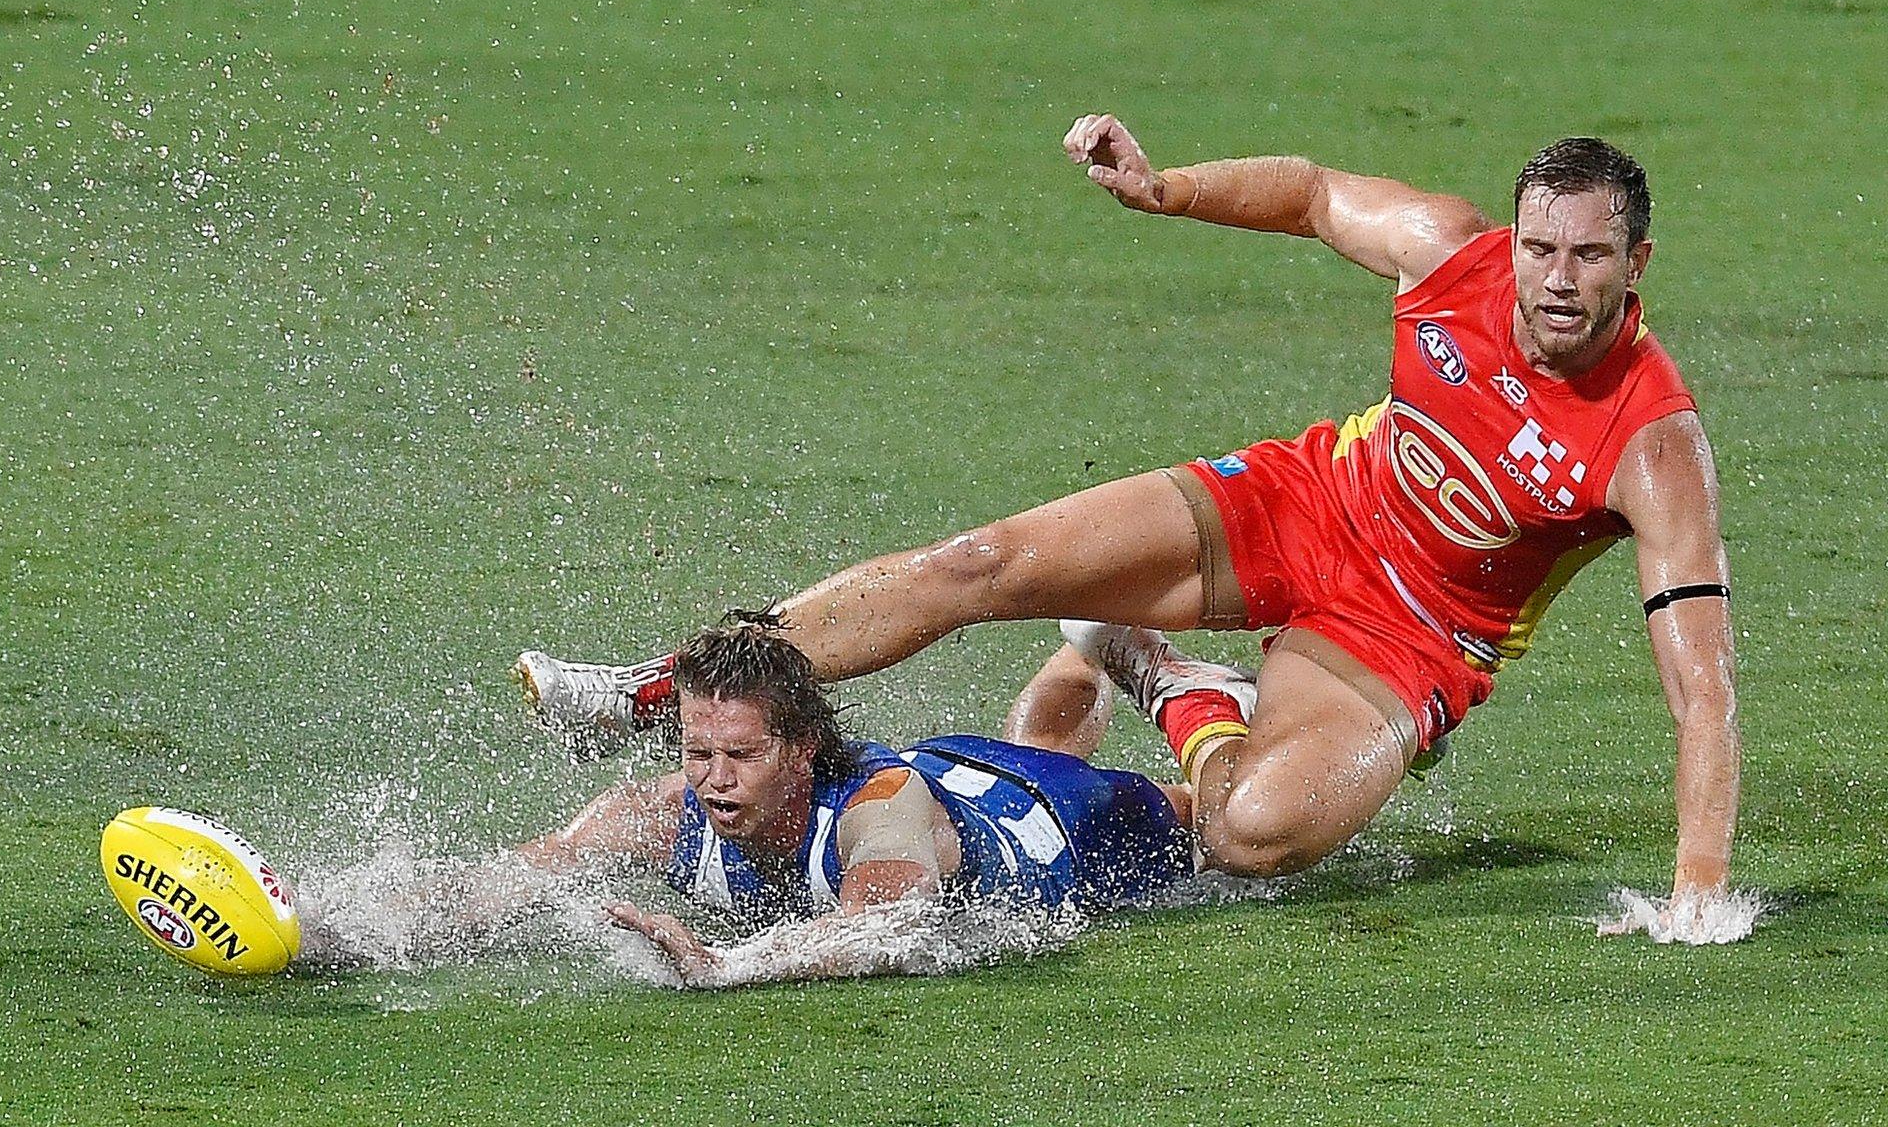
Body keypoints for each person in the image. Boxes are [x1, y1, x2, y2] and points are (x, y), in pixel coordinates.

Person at [514, 120, 1740, 928]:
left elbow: (1700, 695)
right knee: (978, 564)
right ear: (1513, 243)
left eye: (1588, 257)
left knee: (1248, 837)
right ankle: (641, 693)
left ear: (1636, 262)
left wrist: (1695, 895)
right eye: (1540, 250)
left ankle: (1162, 676)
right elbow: (1313, 195)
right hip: (1298, 502)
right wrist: (1166, 192)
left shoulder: (1652, 444)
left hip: (1409, 638)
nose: (1555, 281)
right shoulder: (1448, 253)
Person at [453, 620, 1203, 985]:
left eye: (743, 755)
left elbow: (886, 923)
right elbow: (527, 870)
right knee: (1033, 741)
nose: (715, 779)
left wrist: (728, 964)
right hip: (961, 772)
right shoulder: (668, 810)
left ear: (803, 746)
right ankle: (1091, 643)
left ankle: (1176, 686)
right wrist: (360, 925)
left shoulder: (881, 809)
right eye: (698, 752)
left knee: (1232, 826)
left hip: (1059, 822)